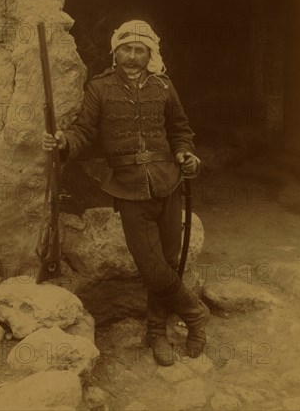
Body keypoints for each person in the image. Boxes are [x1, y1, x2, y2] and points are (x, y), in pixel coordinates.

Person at [43, 20, 209, 366]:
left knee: (168, 262)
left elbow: (180, 129)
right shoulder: (100, 89)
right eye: (126, 49)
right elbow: (84, 132)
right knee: (151, 267)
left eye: (139, 50)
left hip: (169, 183)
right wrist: (64, 142)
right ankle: (194, 314)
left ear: (150, 53)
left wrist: (186, 154)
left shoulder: (163, 86)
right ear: (115, 51)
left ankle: (157, 330)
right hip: (129, 188)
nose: (132, 56)